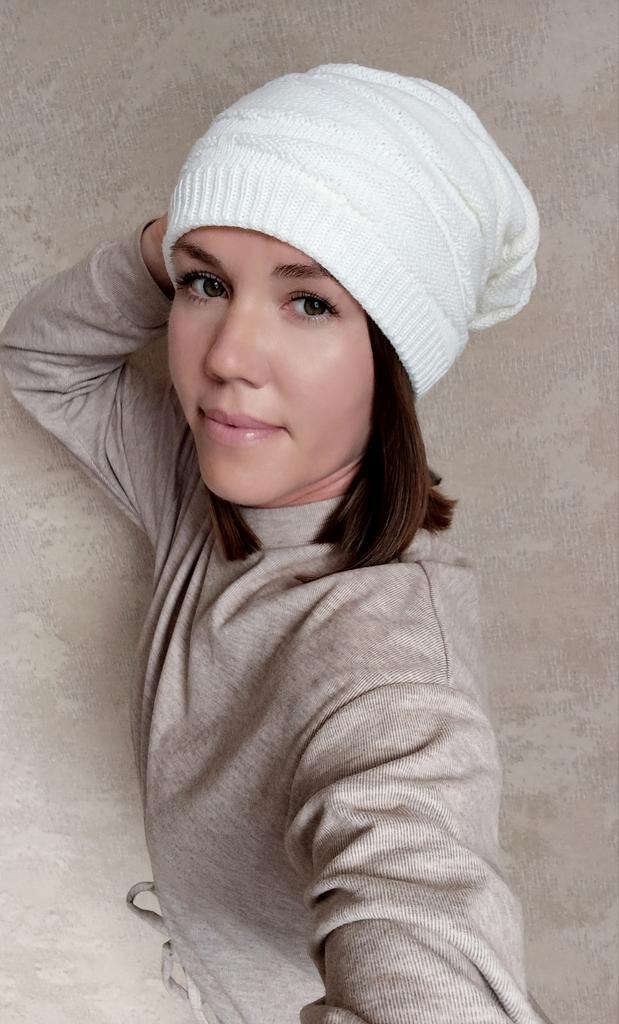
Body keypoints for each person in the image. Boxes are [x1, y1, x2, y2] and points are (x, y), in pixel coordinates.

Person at [0, 62, 555, 1024]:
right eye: (206, 285)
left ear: (392, 357)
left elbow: (416, 890)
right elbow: (42, 358)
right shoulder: (198, 484)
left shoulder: (391, 668)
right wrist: (182, 232)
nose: (225, 356)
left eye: (309, 302)